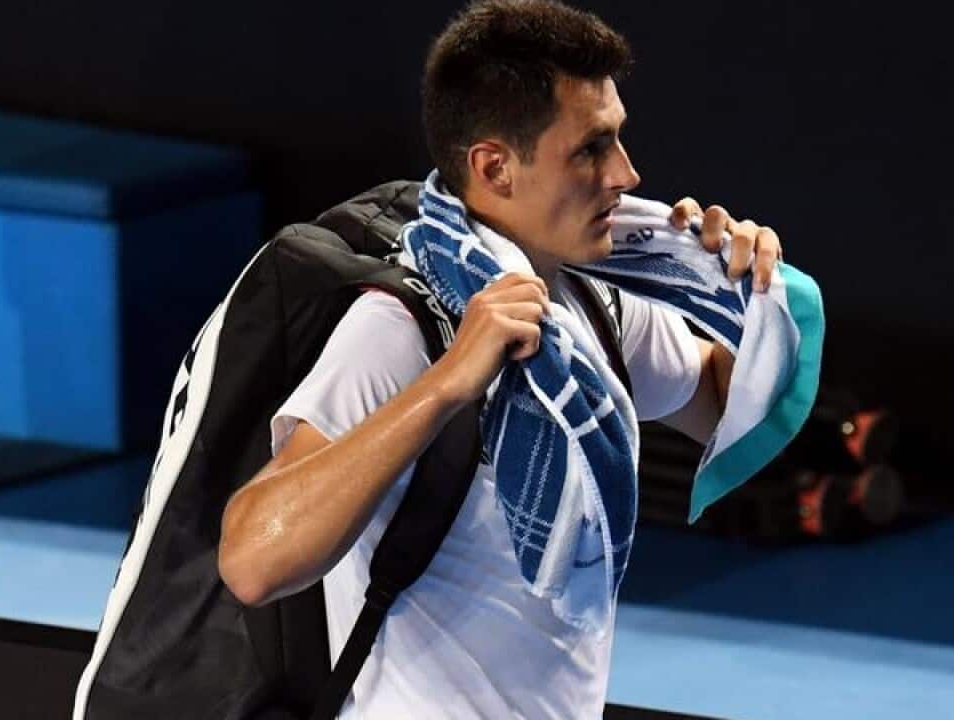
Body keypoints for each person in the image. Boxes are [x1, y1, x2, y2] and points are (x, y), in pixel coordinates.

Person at [218, 1, 785, 717]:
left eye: (618, 139)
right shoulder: (399, 329)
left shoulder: (596, 305)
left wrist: (748, 303)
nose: (627, 174)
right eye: (591, 149)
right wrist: (445, 385)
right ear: (494, 167)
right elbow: (252, 561)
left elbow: (729, 416)